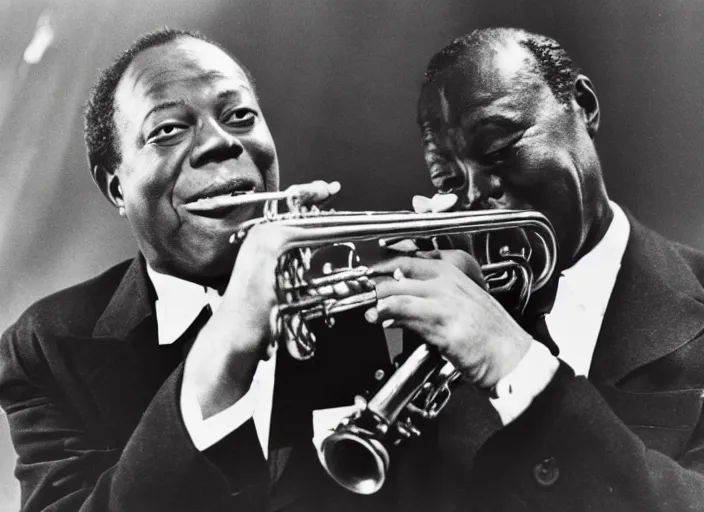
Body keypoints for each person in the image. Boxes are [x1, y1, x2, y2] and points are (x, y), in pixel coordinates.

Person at [0, 28, 395, 511]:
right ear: (117, 188)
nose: (221, 142)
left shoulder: (352, 301)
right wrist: (226, 344)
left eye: (240, 115)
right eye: (167, 129)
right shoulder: (45, 345)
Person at [362, 27, 704, 510]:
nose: (477, 197)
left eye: (499, 149)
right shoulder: (442, 345)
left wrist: (516, 363)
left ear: (582, 106)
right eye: (449, 179)